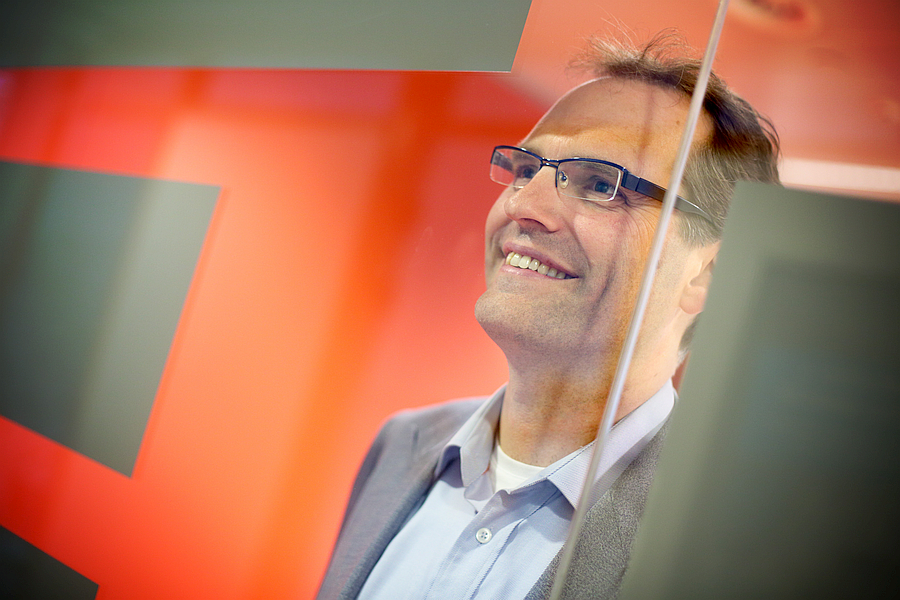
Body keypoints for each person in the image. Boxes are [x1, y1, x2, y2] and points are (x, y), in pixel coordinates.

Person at [316, 33, 780, 600]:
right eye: (524, 170)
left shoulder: (728, 547)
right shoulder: (402, 445)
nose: (522, 205)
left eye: (601, 185)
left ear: (705, 273)